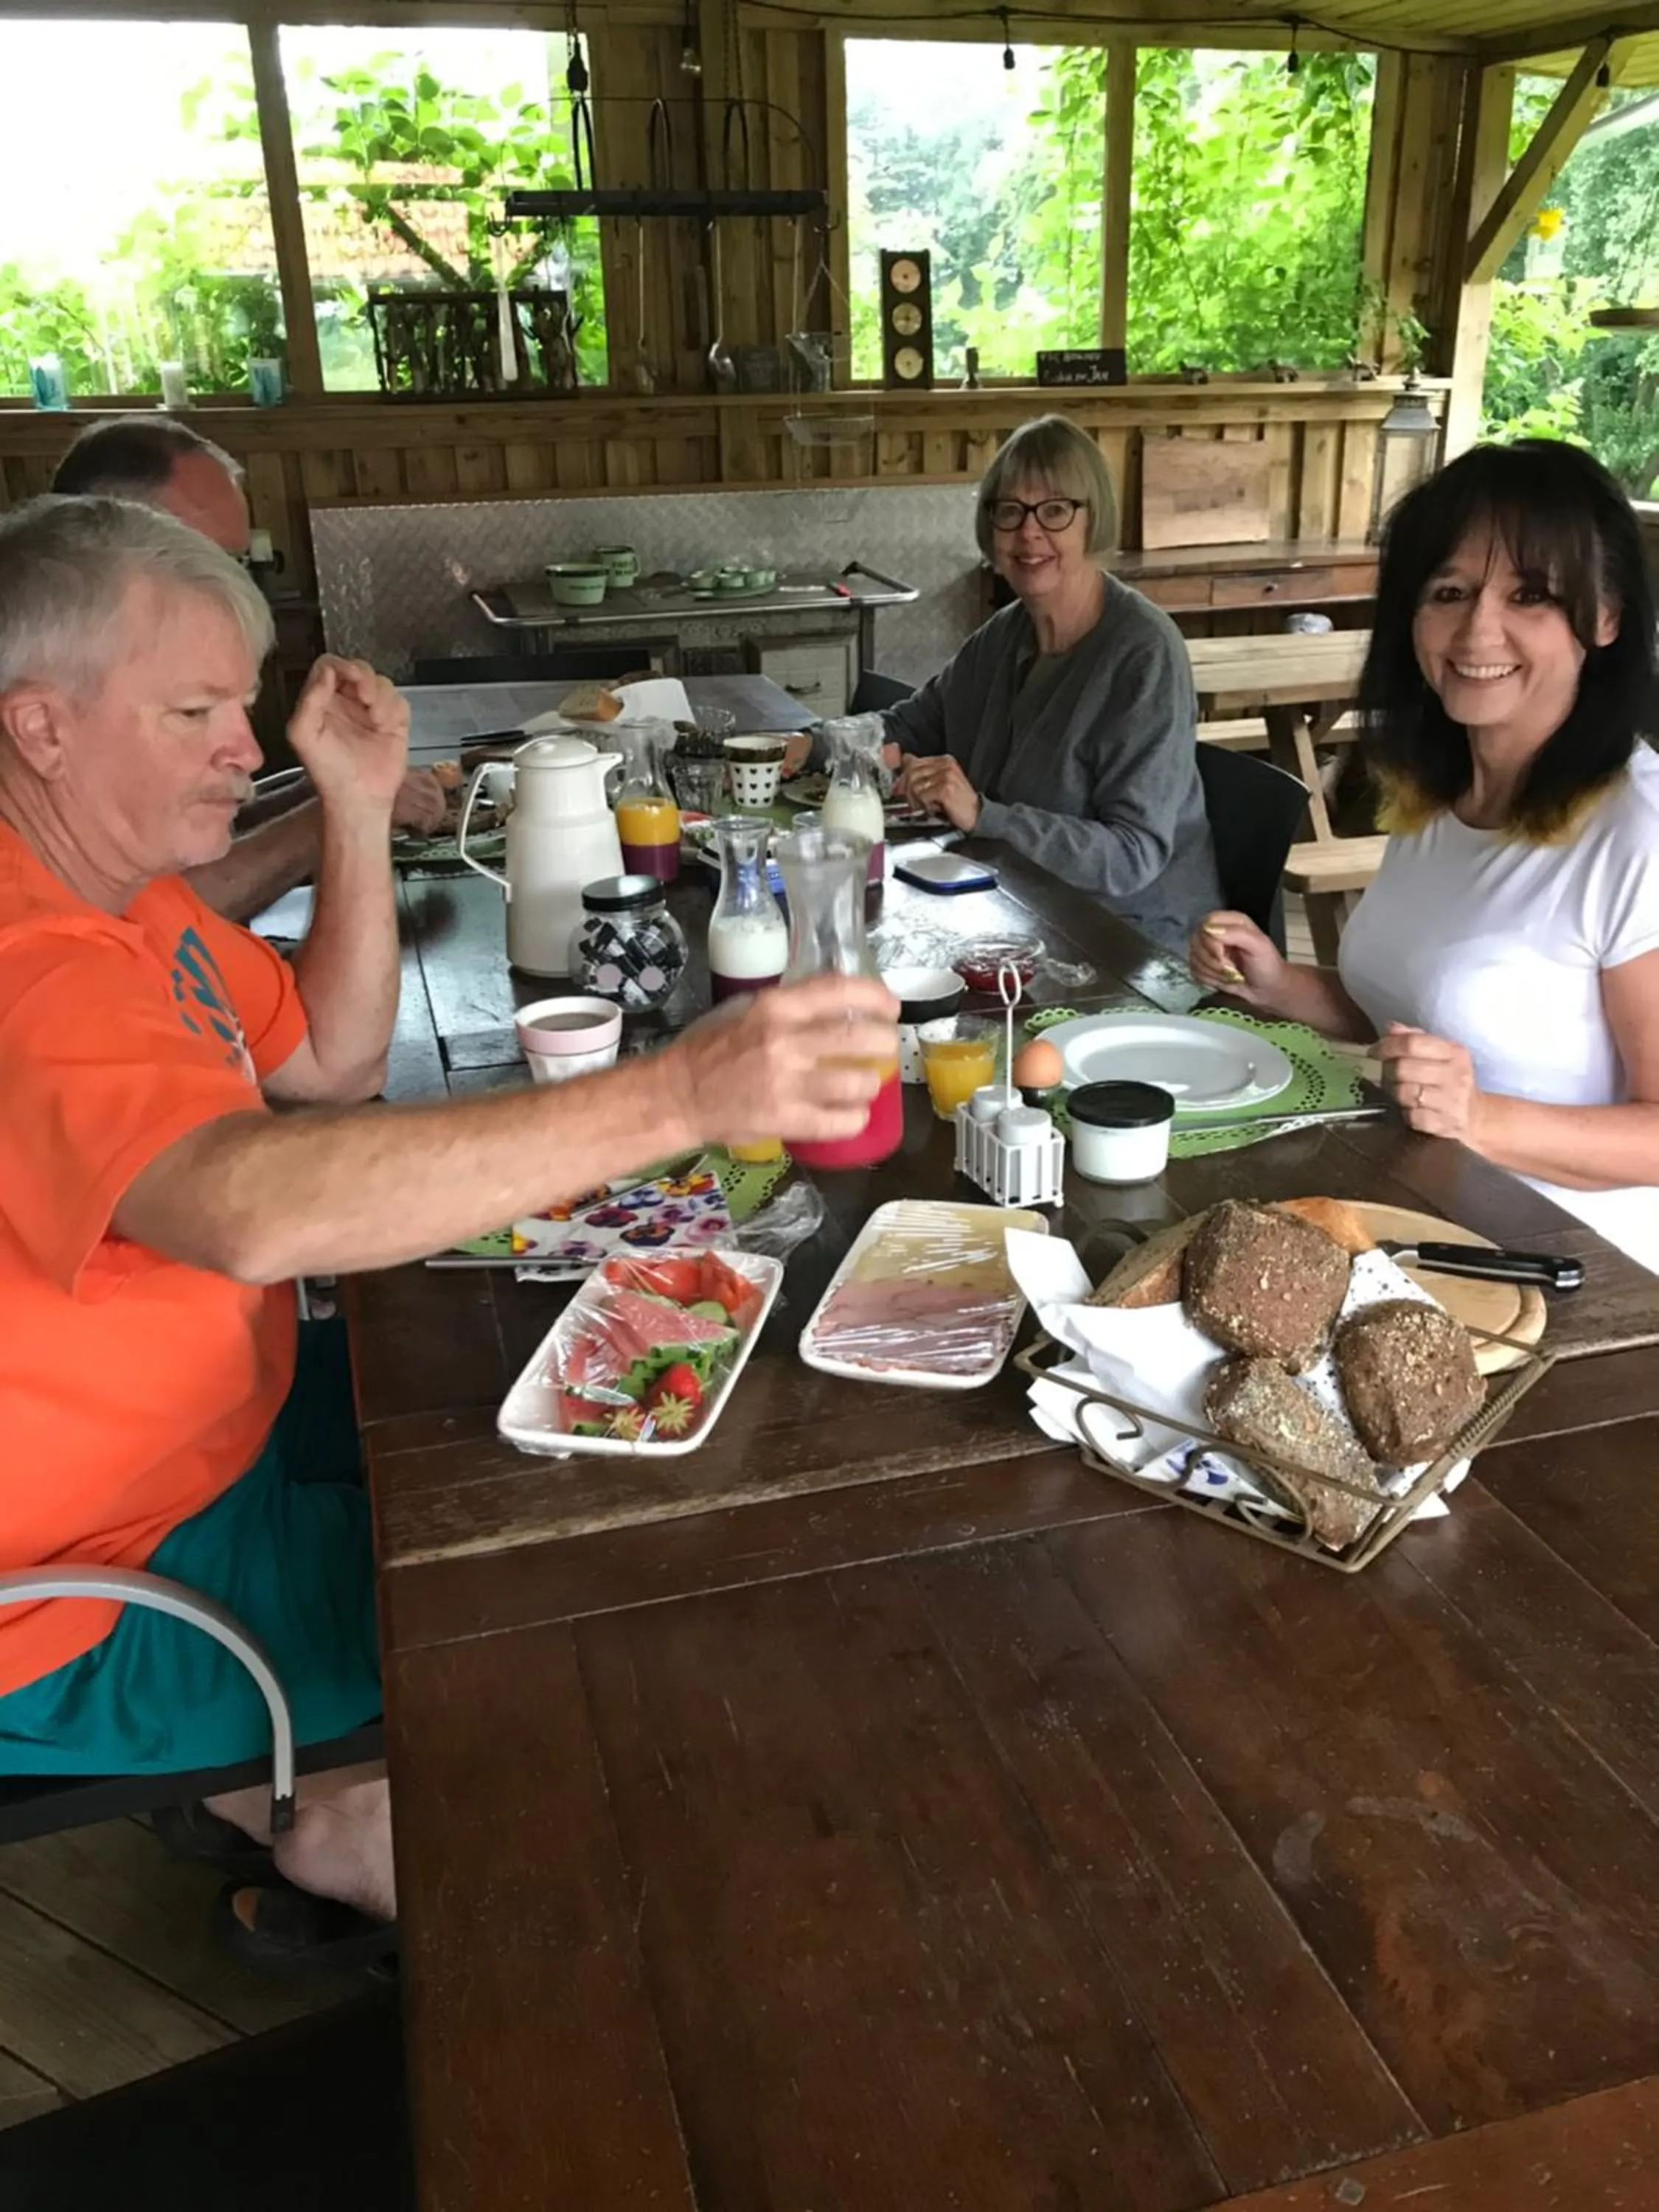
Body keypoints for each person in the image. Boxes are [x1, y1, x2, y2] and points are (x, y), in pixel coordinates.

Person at [0, 495, 897, 1966]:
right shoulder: (28, 956)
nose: (245, 742)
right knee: (576, 1612)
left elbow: (333, 1061)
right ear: (41, 728)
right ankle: (533, 1955)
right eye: (195, 711)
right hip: (86, 1598)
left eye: (244, 703)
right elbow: (248, 1205)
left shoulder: (115, 898)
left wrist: (352, 802)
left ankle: (331, 1804)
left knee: (561, 1444)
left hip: (204, 1456)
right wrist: (682, 1089)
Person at [1191, 438, 1659, 1273]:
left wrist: (1479, 1116)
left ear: (1608, 616)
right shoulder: (1445, 797)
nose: (1479, 628)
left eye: (1532, 595)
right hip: (1428, 1216)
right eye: (1449, 591)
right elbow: (1413, 1023)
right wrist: (1282, 983)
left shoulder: (1638, 831)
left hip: (1579, 1273)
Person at [52, 414, 446, 920]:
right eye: (206, 559)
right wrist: (344, 814)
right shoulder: (64, 689)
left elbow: (211, 826)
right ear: (99, 539)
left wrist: (327, 784)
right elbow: (155, 911)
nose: (232, 589)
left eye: (235, 562)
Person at [880, 414, 1222, 953]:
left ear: (1093, 520)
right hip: (1019, 914)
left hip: (1134, 950)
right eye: (1010, 511)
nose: (1028, 532)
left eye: (1055, 510)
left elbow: (1132, 855)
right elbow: (906, 728)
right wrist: (813, 744)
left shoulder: (1143, 653)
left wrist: (983, 815)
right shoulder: (1004, 634)